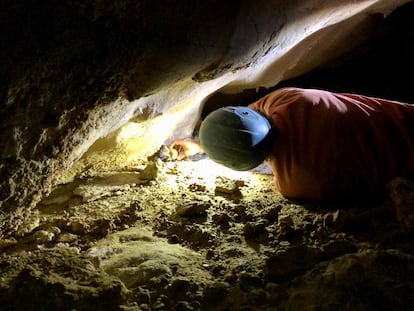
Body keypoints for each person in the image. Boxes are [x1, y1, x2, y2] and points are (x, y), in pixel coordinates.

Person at [169, 87, 414, 201]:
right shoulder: (291, 100)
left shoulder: (295, 183)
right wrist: (202, 143)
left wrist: (203, 147)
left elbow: (259, 155)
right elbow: (249, 118)